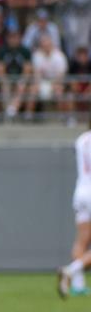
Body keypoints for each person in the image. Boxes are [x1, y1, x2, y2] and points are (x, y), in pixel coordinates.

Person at [58, 123, 91, 298]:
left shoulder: (81, 139)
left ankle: (78, 286)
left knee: (82, 241)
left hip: (81, 192)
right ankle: (70, 271)